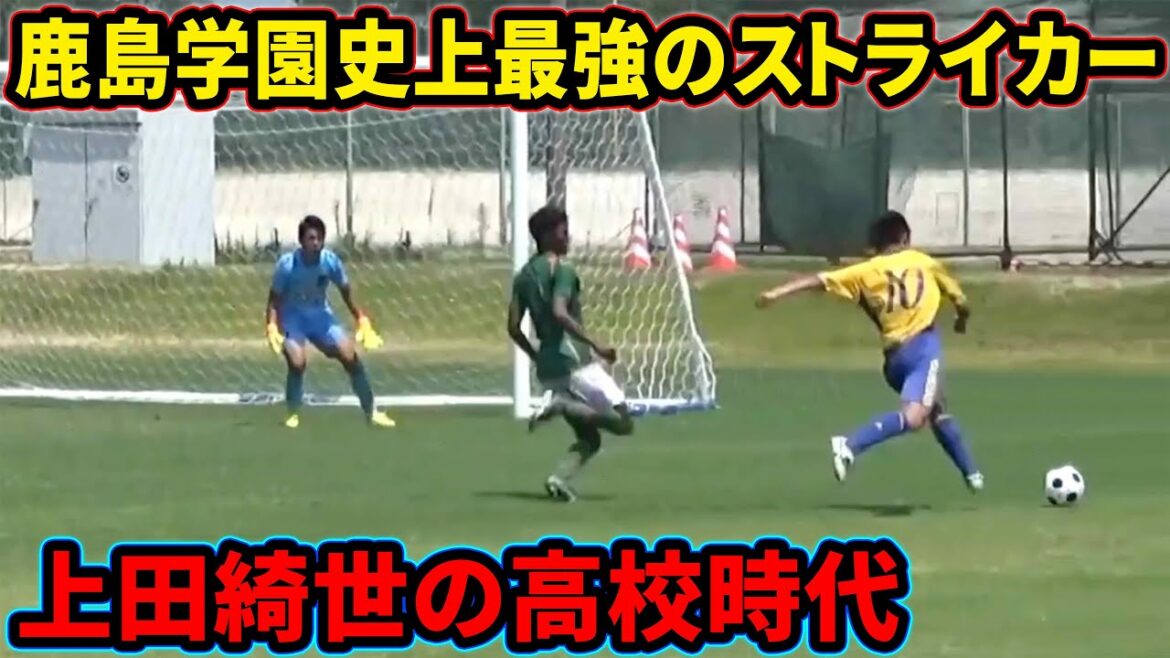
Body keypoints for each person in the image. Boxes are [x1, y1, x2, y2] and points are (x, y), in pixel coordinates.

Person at [755, 210, 983, 492]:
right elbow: (961, 301)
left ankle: (972, 474)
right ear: (905, 237)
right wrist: (961, 320)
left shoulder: (864, 271)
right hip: (922, 348)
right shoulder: (924, 262)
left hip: (894, 362)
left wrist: (775, 294)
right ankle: (850, 445)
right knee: (915, 416)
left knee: (937, 408)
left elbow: (818, 280)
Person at [507, 205, 634, 503]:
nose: (568, 237)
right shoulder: (563, 270)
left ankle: (558, 480)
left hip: (549, 367)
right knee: (623, 421)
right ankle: (563, 406)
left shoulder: (523, 276)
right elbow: (559, 312)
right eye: (564, 231)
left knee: (589, 437)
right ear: (548, 236)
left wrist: (536, 356)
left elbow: (513, 327)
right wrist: (596, 345)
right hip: (573, 360)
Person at [265, 215, 396, 429]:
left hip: (320, 316)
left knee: (350, 356)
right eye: (311, 238)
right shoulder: (287, 265)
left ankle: (371, 411)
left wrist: (361, 318)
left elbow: (346, 292)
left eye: (319, 238)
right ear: (302, 241)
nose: (316, 243)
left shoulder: (330, 261)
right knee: (297, 363)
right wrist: (271, 325)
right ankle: (292, 413)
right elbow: (273, 300)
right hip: (292, 318)